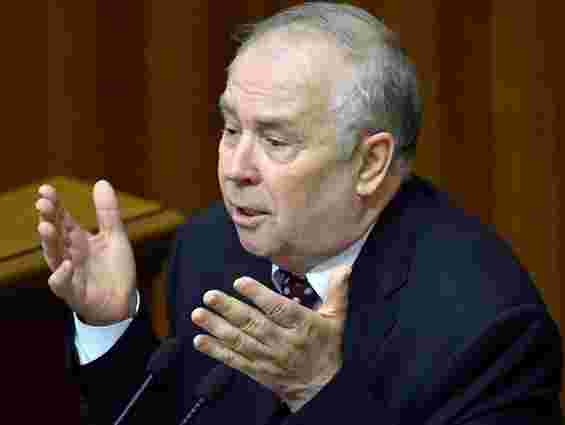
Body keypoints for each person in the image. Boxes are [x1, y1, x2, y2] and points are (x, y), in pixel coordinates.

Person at [36, 2, 562, 424]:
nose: (235, 168)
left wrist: (321, 394)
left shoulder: (486, 329)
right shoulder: (210, 248)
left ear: (370, 163)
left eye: (275, 140)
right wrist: (109, 326)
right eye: (231, 129)